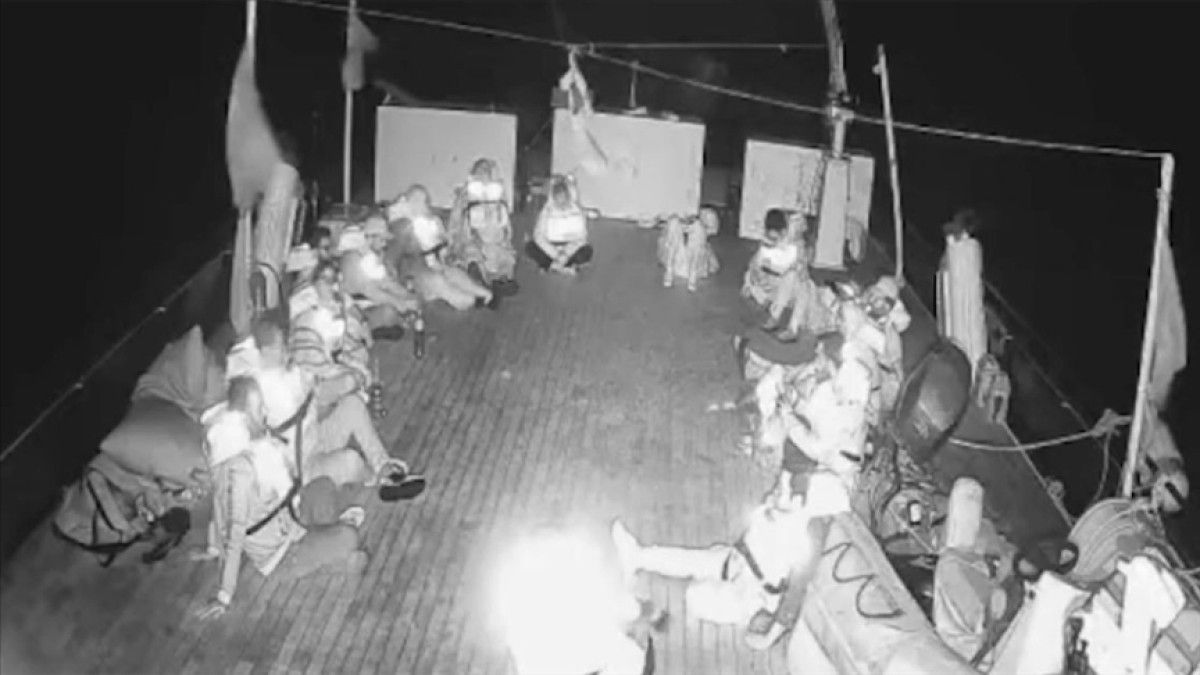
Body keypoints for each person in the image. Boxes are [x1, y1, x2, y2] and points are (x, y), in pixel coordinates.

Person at [192, 376, 370, 618]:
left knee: (323, 485)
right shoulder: (238, 470)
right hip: (283, 554)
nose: (265, 413)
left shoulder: (249, 445)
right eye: (259, 409)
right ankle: (336, 553)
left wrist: (212, 547)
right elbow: (232, 529)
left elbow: (220, 504)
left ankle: (327, 536)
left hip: (293, 522)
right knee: (349, 537)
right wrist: (224, 595)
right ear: (243, 417)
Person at [609, 471, 851, 647]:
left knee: (694, 596)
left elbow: (793, 597)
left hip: (754, 594)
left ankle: (716, 607)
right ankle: (637, 557)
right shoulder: (784, 505)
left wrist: (768, 638)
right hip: (737, 561)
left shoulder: (807, 538)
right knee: (693, 560)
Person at [226, 316, 422, 500]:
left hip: (316, 438)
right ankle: (378, 481)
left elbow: (318, 396)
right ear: (264, 351)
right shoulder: (260, 386)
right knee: (351, 461)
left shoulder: (292, 371)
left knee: (353, 404)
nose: (286, 352)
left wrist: (347, 378)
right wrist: (348, 381)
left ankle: (383, 465)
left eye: (286, 345)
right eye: (281, 347)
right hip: (299, 468)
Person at [387, 185, 497, 311]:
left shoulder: (431, 220)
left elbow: (443, 242)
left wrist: (440, 236)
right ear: (408, 203)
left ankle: (484, 294)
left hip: (436, 264)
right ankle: (471, 300)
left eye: (425, 201)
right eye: (417, 200)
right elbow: (392, 258)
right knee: (439, 281)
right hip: (415, 272)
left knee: (455, 273)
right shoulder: (402, 225)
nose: (422, 205)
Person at [288, 259, 374, 408]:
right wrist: (354, 372)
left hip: (326, 368)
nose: (331, 285)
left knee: (361, 363)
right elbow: (318, 367)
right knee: (351, 380)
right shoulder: (309, 319)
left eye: (333, 280)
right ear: (315, 282)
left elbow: (336, 353)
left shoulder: (333, 307)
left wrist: (358, 367)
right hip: (309, 386)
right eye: (325, 280)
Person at [446, 158, 520, 295]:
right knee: (473, 256)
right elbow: (456, 225)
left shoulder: (498, 199)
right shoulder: (465, 198)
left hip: (496, 241)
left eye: (487, 173)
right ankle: (479, 280)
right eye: (480, 173)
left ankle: (500, 281)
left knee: (505, 258)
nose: (484, 177)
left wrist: (502, 240)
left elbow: (506, 228)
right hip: (472, 242)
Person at [338, 214, 421, 330]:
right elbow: (368, 290)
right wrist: (400, 304)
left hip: (375, 304)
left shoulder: (373, 256)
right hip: (358, 310)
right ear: (370, 238)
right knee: (389, 313)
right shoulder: (352, 258)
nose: (384, 244)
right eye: (382, 240)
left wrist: (408, 296)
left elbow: (387, 283)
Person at [527, 176, 592, 276]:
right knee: (530, 247)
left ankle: (553, 266)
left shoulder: (576, 211)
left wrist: (566, 253)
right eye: (558, 200)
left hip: (570, 248)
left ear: (568, 197)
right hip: (550, 248)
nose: (561, 204)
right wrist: (555, 254)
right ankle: (562, 267)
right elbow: (539, 235)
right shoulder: (547, 211)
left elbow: (582, 237)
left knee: (586, 251)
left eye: (564, 200)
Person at [742, 209, 801, 308]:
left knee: (750, 275)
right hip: (779, 286)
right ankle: (767, 297)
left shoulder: (766, 245)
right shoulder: (789, 245)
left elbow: (754, 265)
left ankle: (760, 295)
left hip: (770, 285)